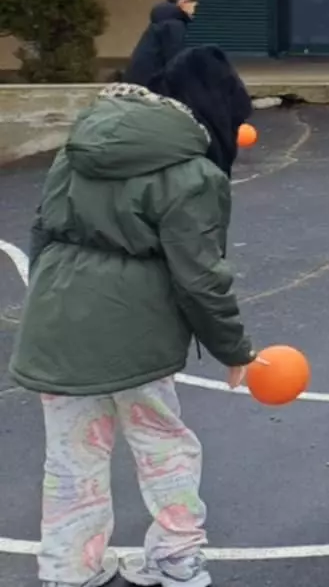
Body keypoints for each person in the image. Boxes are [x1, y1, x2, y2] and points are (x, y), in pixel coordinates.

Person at [10, 45, 257, 587]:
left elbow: (43, 228)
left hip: (58, 318)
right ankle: (177, 557)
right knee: (163, 443)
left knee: (72, 454)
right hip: (137, 326)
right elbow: (200, 275)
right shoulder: (193, 172)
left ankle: (68, 569)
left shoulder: (78, 146)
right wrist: (233, 348)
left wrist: (55, 297)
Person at [122, 0, 200, 89]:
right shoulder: (174, 24)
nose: (194, 10)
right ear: (183, 1)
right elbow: (174, 60)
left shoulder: (163, 21)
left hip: (137, 81)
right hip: (148, 85)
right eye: (194, 5)